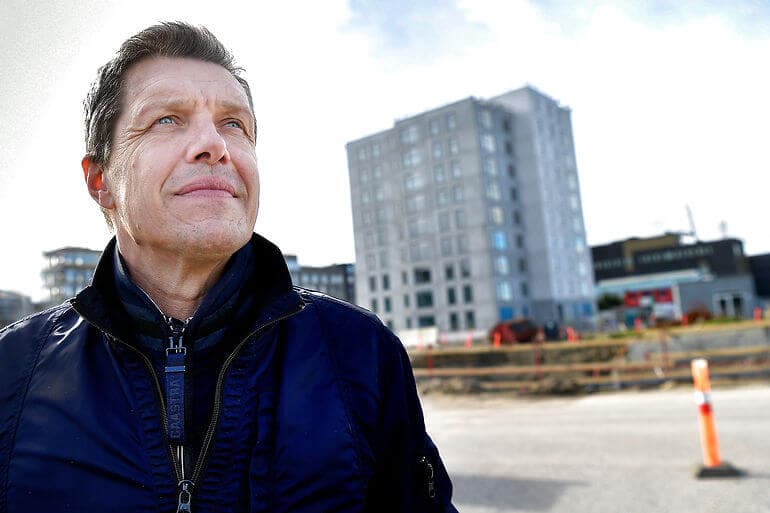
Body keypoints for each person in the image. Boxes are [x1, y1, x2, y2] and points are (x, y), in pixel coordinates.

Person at [0, 22, 456, 513]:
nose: (214, 144)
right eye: (167, 119)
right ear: (101, 181)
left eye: (234, 124)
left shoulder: (361, 353)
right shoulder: (12, 371)